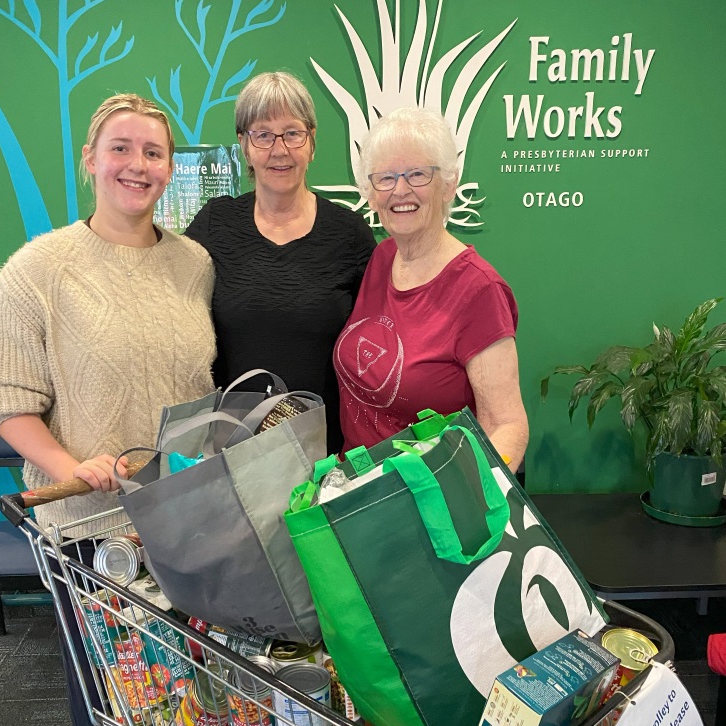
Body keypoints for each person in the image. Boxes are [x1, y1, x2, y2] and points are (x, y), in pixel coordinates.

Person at [0, 93, 221, 726]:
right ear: (91, 159)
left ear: (170, 167)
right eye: (121, 148)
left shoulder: (194, 264)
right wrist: (69, 465)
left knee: (184, 665)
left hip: (182, 511)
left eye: (152, 152)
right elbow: (2, 403)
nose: (137, 165)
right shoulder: (39, 269)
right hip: (91, 523)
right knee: (113, 674)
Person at [186, 71, 376, 453]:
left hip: (325, 451)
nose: (279, 149)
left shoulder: (349, 234)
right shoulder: (214, 224)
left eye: (292, 133)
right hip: (230, 451)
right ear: (244, 144)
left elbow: (377, 340)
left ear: (311, 141)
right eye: (263, 134)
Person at [334, 106, 528, 471]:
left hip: (431, 502)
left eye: (418, 174)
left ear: (449, 184)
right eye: (386, 178)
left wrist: (467, 499)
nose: (400, 190)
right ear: (371, 193)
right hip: (356, 491)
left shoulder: (479, 290)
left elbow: (507, 425)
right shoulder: (382, 257)